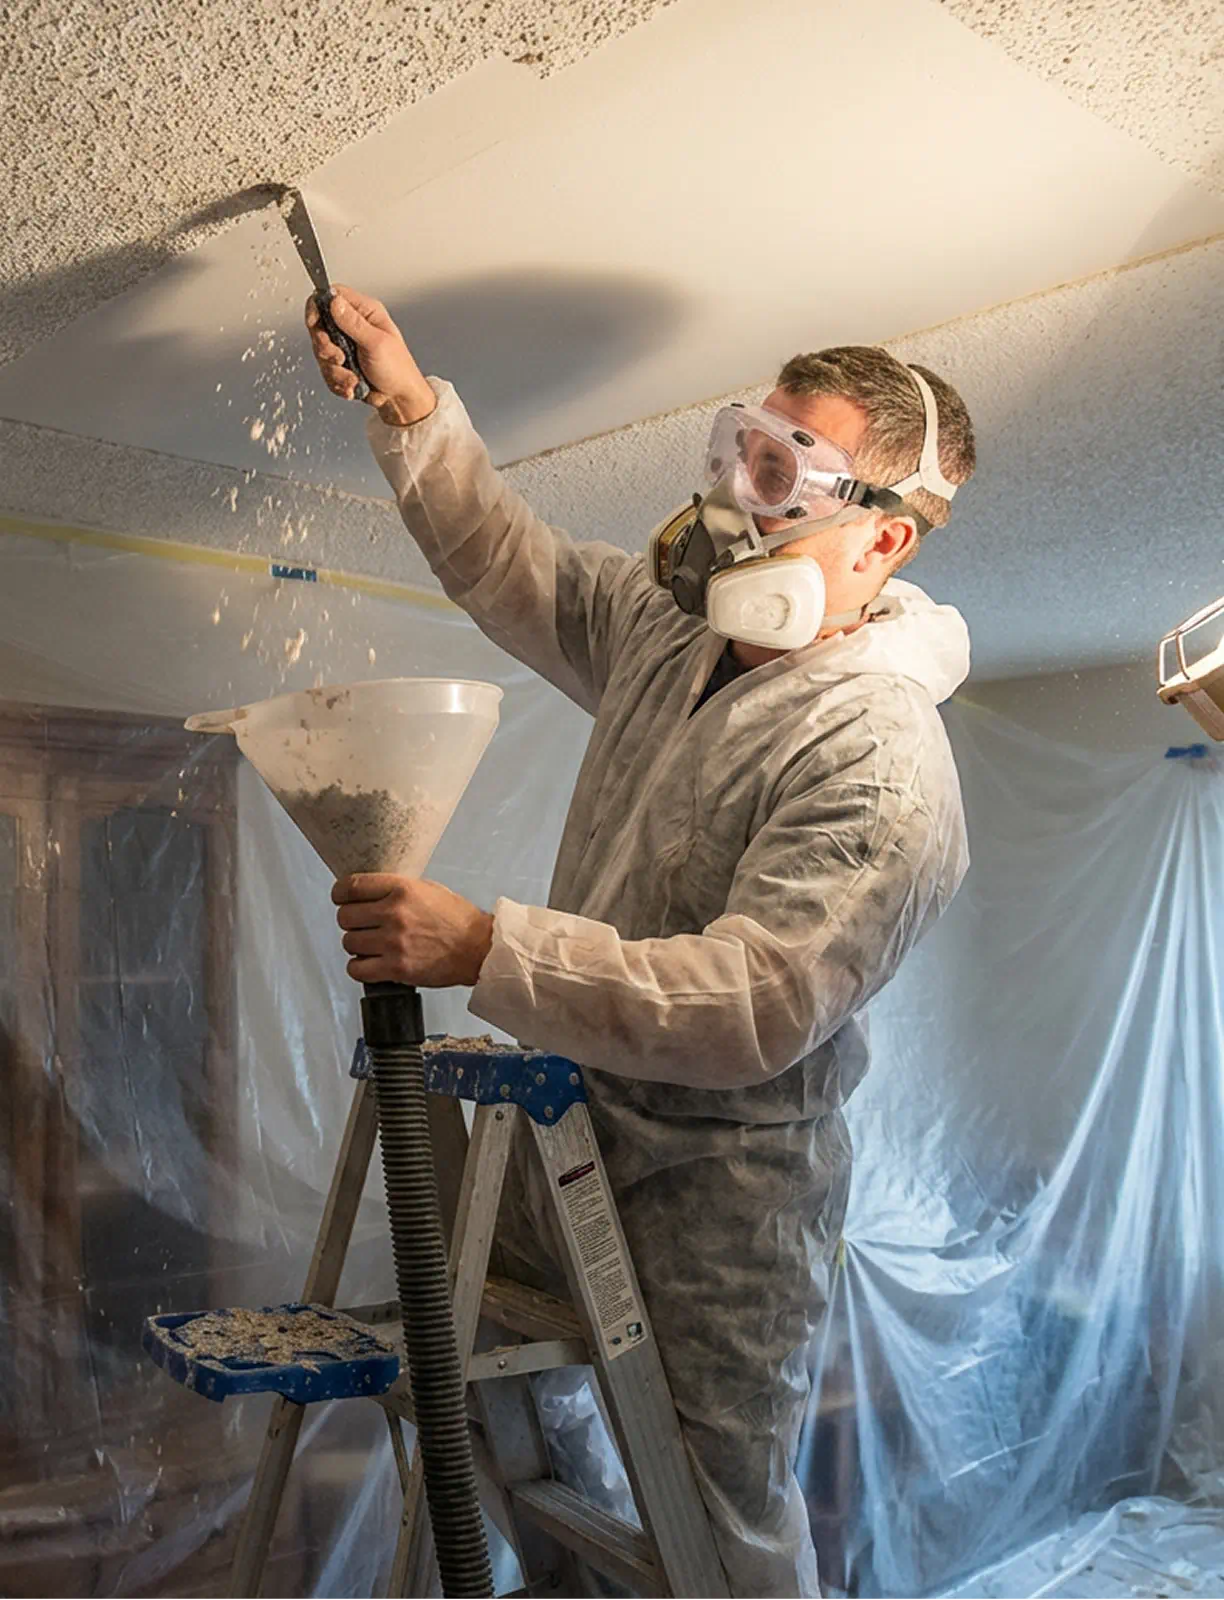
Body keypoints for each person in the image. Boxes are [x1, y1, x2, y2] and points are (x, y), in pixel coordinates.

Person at [306, 285, 976, 1599]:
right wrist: (407, 399)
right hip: (560, 1135)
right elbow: (521, 570)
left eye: (779, 471)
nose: (733, 492)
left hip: (717, 1198)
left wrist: (487, 949)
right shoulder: (675, 632)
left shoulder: (882, 758)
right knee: (532, 1481)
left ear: (883, 539)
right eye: (736, 445)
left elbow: (755, 1005)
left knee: (711, 1540)